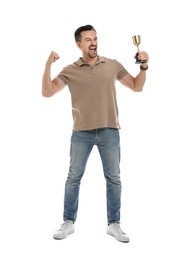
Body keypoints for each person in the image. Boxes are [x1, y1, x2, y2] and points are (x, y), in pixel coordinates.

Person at [42, 25, 149, 243]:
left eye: (96, 38)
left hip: (110, 130)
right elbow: (47, 92)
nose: (94, 43)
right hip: (81, 132)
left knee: (114, 178)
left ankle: (114, 224)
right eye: (88, 39)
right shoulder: (70, 70)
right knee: (73, 178)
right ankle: (68, 222)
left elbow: (137, 87)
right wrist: (47, 65)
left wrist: (144, 67)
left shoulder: (111, 65)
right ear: (79, 44)